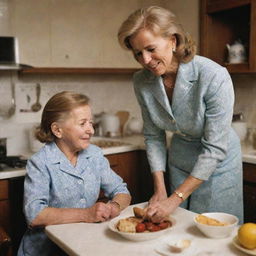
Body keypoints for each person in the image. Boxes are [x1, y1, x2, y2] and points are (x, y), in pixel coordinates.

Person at [118, 6, 243, 224]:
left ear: (173, 40)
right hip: (179, 162)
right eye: (138, 53)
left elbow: (214, 148)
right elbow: (153, 135)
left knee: (212, 232)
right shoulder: (142, 81)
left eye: (150, 49)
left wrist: (175, 198)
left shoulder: (213, 76)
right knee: (177, 229)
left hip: (218, 166)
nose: (145, 60)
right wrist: (160, 189)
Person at [18, 91, 131, 256]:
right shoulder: (40, 162)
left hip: (83, 245)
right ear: (57, 130)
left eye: (91, 123)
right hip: (45, 251)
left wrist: (114, 206)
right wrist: (86, 214)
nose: (91, 130)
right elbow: (35, 215)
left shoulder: (95, 154)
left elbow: (122, 191)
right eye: (82, 123)